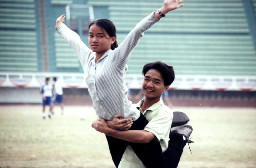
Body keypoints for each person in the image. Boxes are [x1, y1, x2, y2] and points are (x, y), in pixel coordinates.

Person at [56, 0, 184, 167]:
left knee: (160, 166)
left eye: (100, 36)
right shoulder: (87, 58)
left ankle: (179, 138)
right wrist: (60, 27)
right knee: (121, 165)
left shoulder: (116, 58)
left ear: (112, 39)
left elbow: (137, 31)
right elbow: (73, 39)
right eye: (91, 35)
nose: (94, 39)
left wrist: (162, 11)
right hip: (109, 124)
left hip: (130, 121)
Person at [92, 61, 193, 168]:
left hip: (153, 163)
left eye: (156, 82)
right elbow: (99, 122)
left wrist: (109, 130)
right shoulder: (133, 108)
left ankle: (179, 137)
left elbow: (145, 138)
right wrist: (106, 124)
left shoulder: (164, 113)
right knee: (122, 122)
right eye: (147, 79)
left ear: (166, 87)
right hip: (125, 163)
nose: (149, 85)